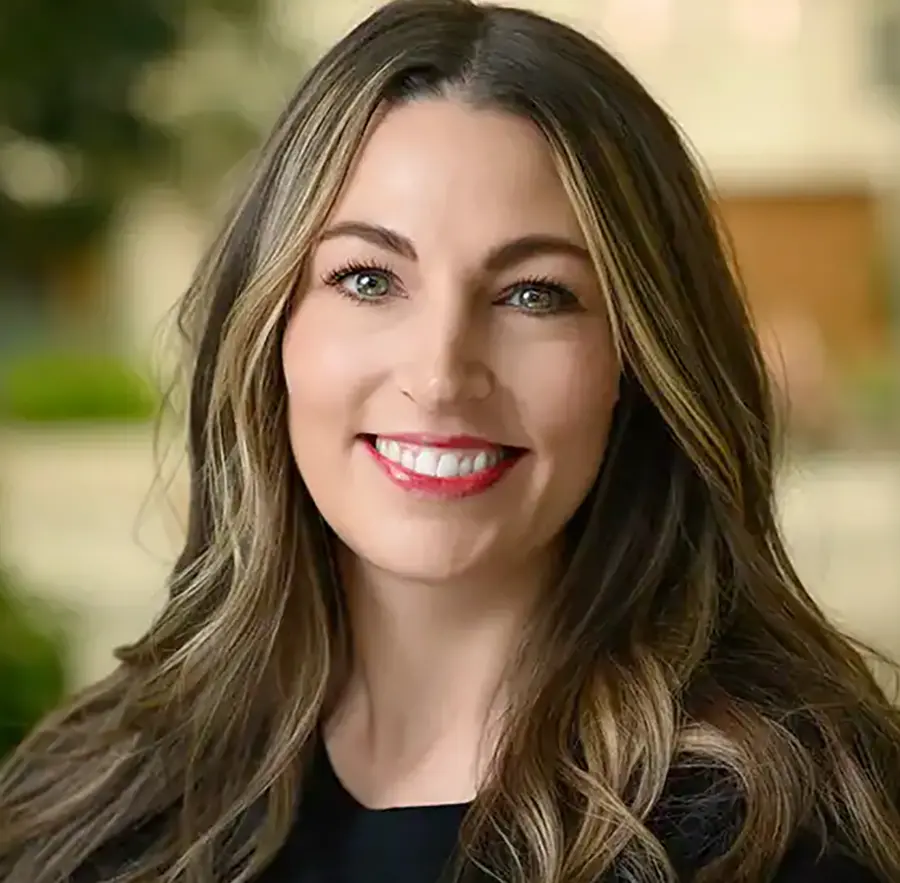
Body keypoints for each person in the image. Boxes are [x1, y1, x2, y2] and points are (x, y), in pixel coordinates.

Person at [1, 1, 898, 881]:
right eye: (367, 278)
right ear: (270, 327)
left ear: (636, 361)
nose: (440, 374)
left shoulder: (786, 836)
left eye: (534, 294)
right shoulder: (88, 806)